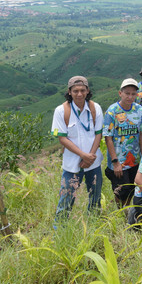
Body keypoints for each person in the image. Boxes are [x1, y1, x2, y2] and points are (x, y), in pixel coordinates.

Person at [51, 76, 104, 221]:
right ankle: (60, 229)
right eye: (75, 91)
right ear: (69, 92)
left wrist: (90, 156)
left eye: (82, 90)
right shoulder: (61, 111)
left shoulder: (95, 108)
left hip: (94, 163)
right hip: (72, 165)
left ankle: (93, 225)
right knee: (66, 200)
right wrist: (83, 156)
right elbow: (62, 138)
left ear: (87, 91)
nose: (79, 94)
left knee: (95, 197)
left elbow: (99, 134)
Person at [103, 78, 142, 208]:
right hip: (119, 161)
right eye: (127, 93)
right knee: (121, 191)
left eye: (133, 94)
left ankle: (127, 213)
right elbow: (108, 137)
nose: (130, 96)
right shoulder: (112, 111)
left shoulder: (139, 110)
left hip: (135, 159)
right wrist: (115, 162)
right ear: (120, 93)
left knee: (133, 188)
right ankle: (121, 213)